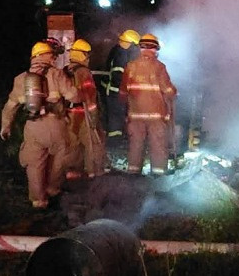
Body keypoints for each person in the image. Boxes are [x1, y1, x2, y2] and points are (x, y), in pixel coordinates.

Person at [0, 40, 80, 209]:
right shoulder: (57, 74)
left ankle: (38, 201)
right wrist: (79, 91)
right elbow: (74, 97)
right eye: (52, 55)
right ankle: (52, 189)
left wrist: (5, 126)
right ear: (44, 56)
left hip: (33, 127)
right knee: (63, 156)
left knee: (34, 164)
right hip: (55, 124)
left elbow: (10, 106)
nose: (54, 58)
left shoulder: (21, 79)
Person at [119, 33, 177, 176]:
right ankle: (158, 175)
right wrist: (174, 93)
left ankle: (133, 174)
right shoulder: (159, 67)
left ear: (140, 48)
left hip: (135, 115)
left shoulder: (130, 67)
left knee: (136, 145)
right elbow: (168, 90)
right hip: (156, 116)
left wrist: (128, 108)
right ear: (155, 49)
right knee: (158, 145)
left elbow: (122, 93)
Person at [64, 39, 106, 178]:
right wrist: (94, 116)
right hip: (82, 113)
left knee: (72, 145)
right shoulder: (83, 72)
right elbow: (90, 96)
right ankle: (95, 173)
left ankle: (73, 176)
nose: (88, 58)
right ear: (82, 55)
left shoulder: (65, 71)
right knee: (93, 142)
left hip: (67, 113)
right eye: (87, 54)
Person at [102, 29, 141, 140]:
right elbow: (118, 74)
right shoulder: (121, 53)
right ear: (130, 43)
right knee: (116, 117)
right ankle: (115, 142)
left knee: (116, 117)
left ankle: (116, 141)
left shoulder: (117, 50)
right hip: (115, 91)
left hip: (113, 90)